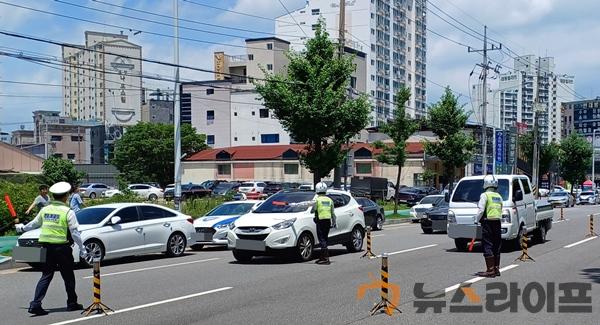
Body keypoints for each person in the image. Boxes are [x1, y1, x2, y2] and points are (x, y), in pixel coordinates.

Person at [15, 182, 87, 316]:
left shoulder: (45, 209)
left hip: (46, 247)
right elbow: (75, 233)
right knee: (68, 276)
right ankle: (72, 303)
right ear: (66, 196)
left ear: (53, 195)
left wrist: (21, 228)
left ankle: (35, 303)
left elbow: (34, 224)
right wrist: (82, 249)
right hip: (62, 248)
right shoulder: (68, 211)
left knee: (46, 275)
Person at [475, 175, 503, 278]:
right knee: (496, 245)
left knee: (487, 245)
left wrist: (475, 220)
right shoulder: (498, 196)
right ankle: (496, 269)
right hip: (497, 222)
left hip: (488, 222)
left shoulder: (485, 195)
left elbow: (481, 210)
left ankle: (490, 270)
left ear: (485, 184)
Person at [314, 182, 336, 265]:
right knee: (325, 238)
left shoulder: (317, 199)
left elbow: (313, 209)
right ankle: (322, 257)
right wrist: (334, 222)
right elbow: (333, 212)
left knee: (321, 239)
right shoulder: (329, 200)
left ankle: (326, 258)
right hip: (328, 221)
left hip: (320, 220)